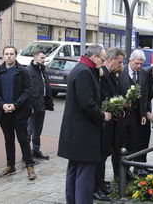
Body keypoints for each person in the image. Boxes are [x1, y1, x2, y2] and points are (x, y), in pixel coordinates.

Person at [57, 45, 112, 204]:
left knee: (74, 170)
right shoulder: (84, 72)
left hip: (76, 133)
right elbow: (87, 104)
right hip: (84, 133)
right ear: (94, 57)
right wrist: (102, 116)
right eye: (102, 59)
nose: (103, 62)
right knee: (85, 175)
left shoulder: (81, 69)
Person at [0, 46, 36, 180]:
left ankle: (30, 167)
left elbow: (28, 91)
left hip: (20, 112)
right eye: (6, 54)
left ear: (15, 56)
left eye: (11, 54)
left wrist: (15, 105)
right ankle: (10, 166)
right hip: (4, 112)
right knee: (8, 140)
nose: (9, 56)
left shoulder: (23, 71)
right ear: (3, 55)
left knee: (23, 140)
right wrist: (2, 105)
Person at [94, 47, 124, 201]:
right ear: (110, 59)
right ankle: (96, 186)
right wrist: (116, 102)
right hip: (103, 122)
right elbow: (103, 97)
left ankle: (101, 183)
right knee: (100, 156)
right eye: (118, 62)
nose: (120, 65)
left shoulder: (111, 73)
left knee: (105, 154)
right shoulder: (102, 74)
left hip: (111, 121)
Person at [118, 49, 148, 177]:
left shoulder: (143, 74)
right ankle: (121, 170)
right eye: (136, 63)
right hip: (123, 114)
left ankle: (130, 168)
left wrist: (143, 114)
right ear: (130, 61)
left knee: (134, 141)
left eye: (141, 64)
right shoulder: (121, 72)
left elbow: (145, 95)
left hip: (136, 115)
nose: (139, 66)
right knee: (123, 142)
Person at [26, 50, 54, 160]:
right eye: (42, 58)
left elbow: (46, 87)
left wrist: (49, 102)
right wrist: (30, 106)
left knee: (38, 130)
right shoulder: (28, 71)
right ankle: (27, 153)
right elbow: (27, 91)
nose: (44, 60)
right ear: (35, 57)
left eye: (44, 58)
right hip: (32, 106)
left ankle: (36, 150)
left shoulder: (43, 70)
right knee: (29, 130)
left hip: (42, 104)